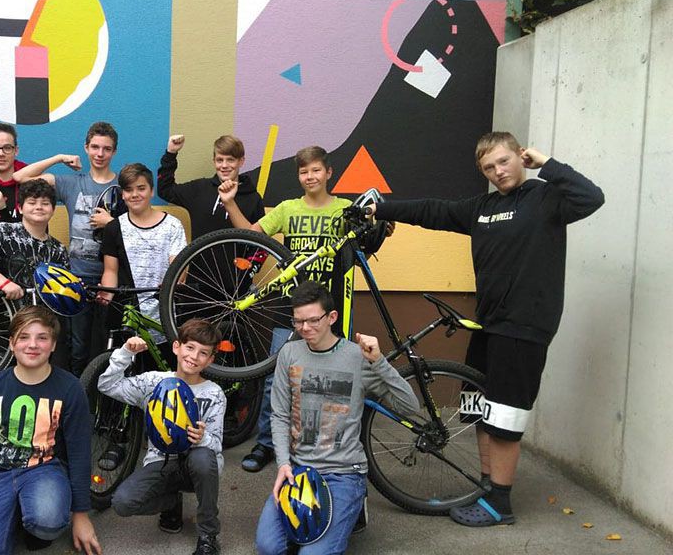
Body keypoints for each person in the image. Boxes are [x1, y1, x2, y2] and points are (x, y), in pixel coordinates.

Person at [366, 132, 605, 527]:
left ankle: (500, 503)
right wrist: (381, 208)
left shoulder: (546, 198)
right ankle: (485, 484)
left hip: (524, 325)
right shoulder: (482, 207)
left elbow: (592, 197)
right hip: (488, 322)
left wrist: (547, 164)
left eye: (504, 162)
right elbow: (433, 211)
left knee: (505, 415)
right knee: (479, 407)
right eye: (489, 167)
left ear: (520, 157)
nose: (498, 171)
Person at [220, 146, 388, 480]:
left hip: (331, 309)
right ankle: (266, 444)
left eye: (315, 170)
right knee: (275, 379)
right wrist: (229, 203)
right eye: (303, 171)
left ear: (329, 173)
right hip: (290, 306)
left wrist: (382, 230)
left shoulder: (345, 209)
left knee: (331, 381)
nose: (310, 177)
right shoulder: (287, 208)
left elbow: (364, 250)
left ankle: (326, 448)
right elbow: (251, 235)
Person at [254, 281, 419, 555]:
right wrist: (283, 464)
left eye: (313, 320)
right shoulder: (289, 353)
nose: (305, 328)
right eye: (298, 321)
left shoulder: (356, 357)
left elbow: (409, 406)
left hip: (344, 473)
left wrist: (379, 362)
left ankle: (353, 505)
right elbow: (280, 414)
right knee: (268, 548)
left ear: (332, 317)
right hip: (300, 470)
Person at [0, 306, 101, 555]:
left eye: (42, 337)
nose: (32, 345)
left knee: (48, 521)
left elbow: (79, 454)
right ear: (12, 343)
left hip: (45, 470)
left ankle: (27, 515)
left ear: (53, 345)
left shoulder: (70, 388)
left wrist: (81, 515)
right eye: (24, 337)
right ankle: (12, 515)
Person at [98, 318, 227, 555]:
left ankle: (208, 534)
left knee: (203, 458)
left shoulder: (214, 393)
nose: (194, 356)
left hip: (196, 465)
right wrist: (125, 353)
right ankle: (171, 502)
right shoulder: (153, 381)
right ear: (177, 347)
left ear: (210, 360)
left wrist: (203, 438)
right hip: (161, 462)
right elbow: (107, 385)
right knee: (122, 502)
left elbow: (217, 444)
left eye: (203, 353)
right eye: (190, 347)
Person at [13, 121, 119, 374]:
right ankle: (77, 390)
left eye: (106, 149)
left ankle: (99, 392)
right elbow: (20, 177)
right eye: (95, 147)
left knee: (106, 344)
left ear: (114, 152)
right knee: (77, 346)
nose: (100, 154)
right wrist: (59, 158)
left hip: (112, 277)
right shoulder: (71, 183)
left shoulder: (122, 185)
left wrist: (111, 224)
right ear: (86, 148)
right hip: (77, 277)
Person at [99, 163, 187, 341]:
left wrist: (174, 280)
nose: (135, 194)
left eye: (141, 188)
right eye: (129, 190)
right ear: (123, 194)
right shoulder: (114, 228)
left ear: (151, 191)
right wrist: (107, 293)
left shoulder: (173, 225)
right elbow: (110, 271)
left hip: (165, 311)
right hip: (128, 313)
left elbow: (179, 266)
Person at [0, 179, 70, 301]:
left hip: (42, 312)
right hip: (2, 309)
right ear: (20, 208)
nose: (39, 207)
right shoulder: (3, 231)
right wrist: (4, 283)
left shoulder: (59, 249)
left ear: (53, 210)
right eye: (32, 202)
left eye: (45, 203)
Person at [157, 134, 265, 237]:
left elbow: (261, 243)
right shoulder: (199, 189)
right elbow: (165, 190)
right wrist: (171, 153)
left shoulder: (253, 199)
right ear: (214, 161)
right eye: (219, 160)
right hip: (201, 251)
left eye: (230, 160)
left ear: (241, 161)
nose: (224, 165)